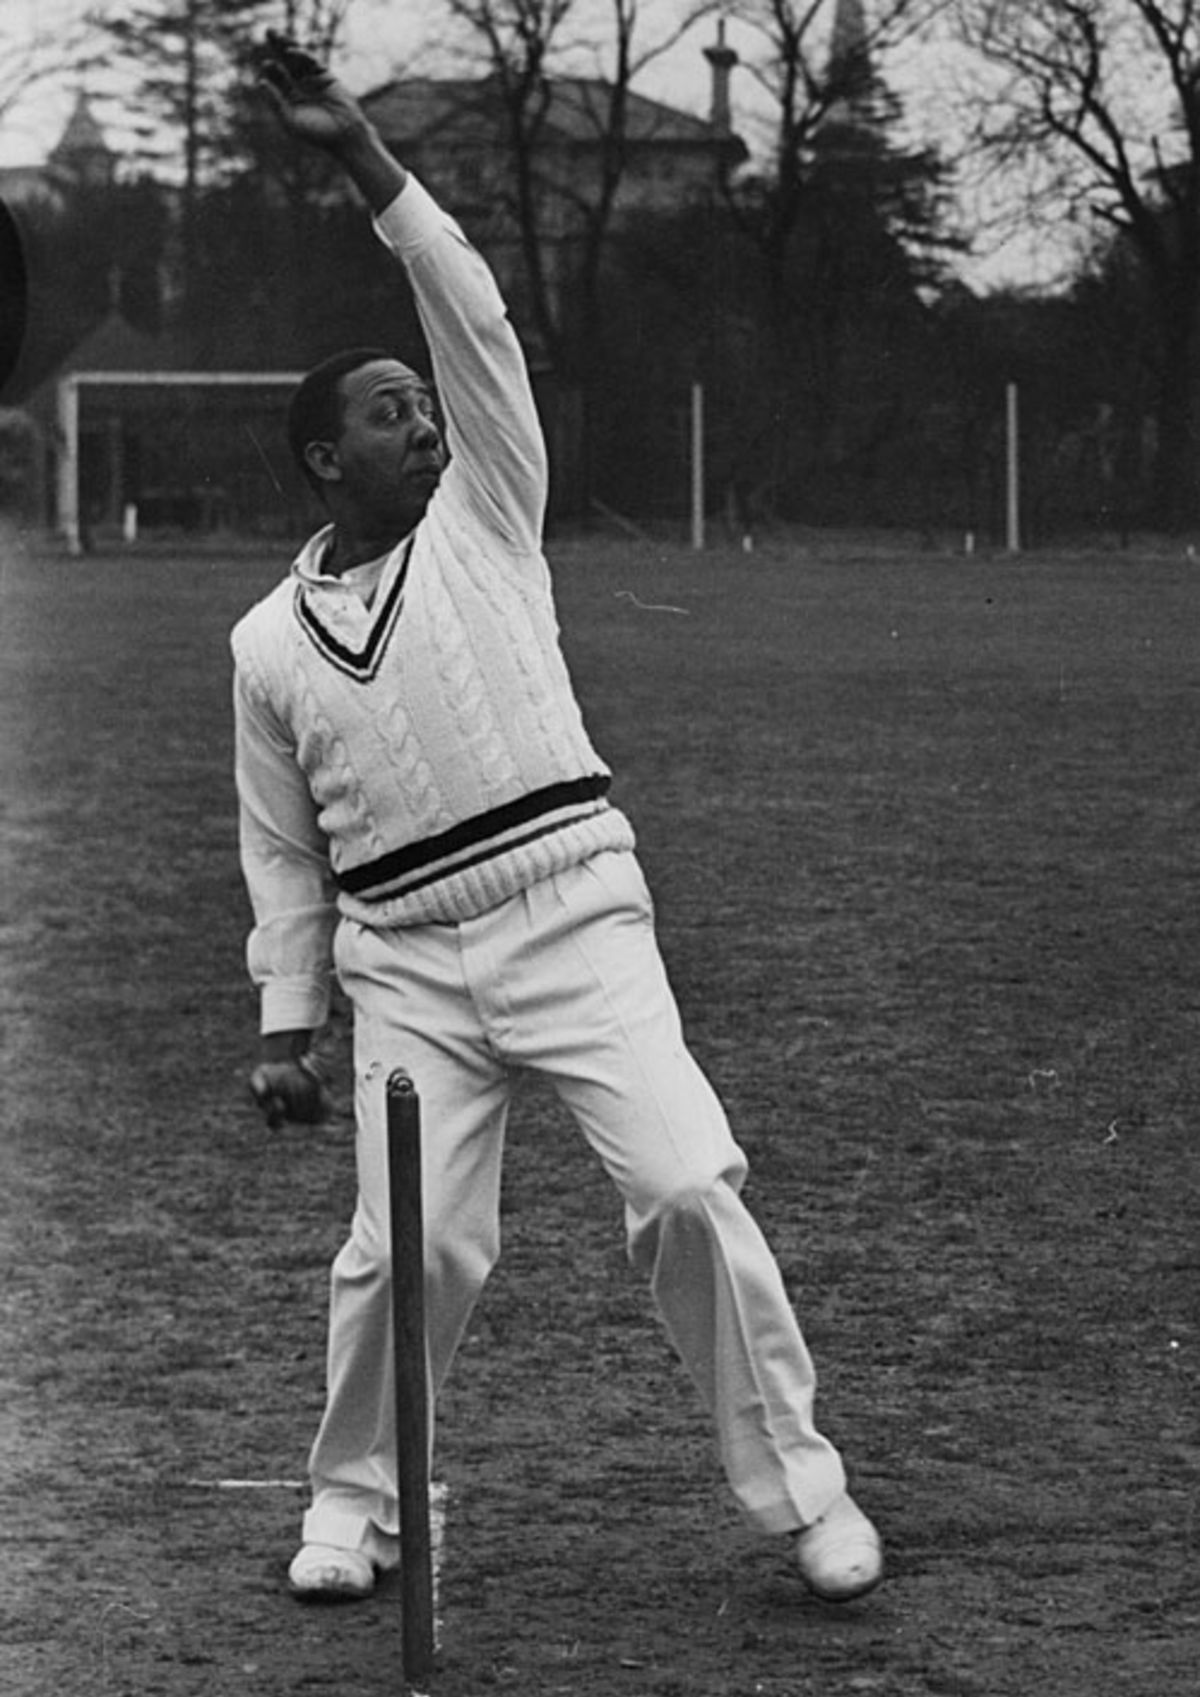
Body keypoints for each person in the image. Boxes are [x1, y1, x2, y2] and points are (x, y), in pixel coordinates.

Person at [233, 33, 883, 1609]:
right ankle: (355, 1505)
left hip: (575, 913)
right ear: (329, 456)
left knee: (681, 1187)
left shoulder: (490, 514)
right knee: (414, 1253)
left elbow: (467, 308)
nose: (426, 424)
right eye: (391, 414)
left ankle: (807, 1497)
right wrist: (286, 1021)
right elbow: (280, 848)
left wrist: (362, 156)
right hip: (406, 968)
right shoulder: (262, 644)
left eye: (427, 405)